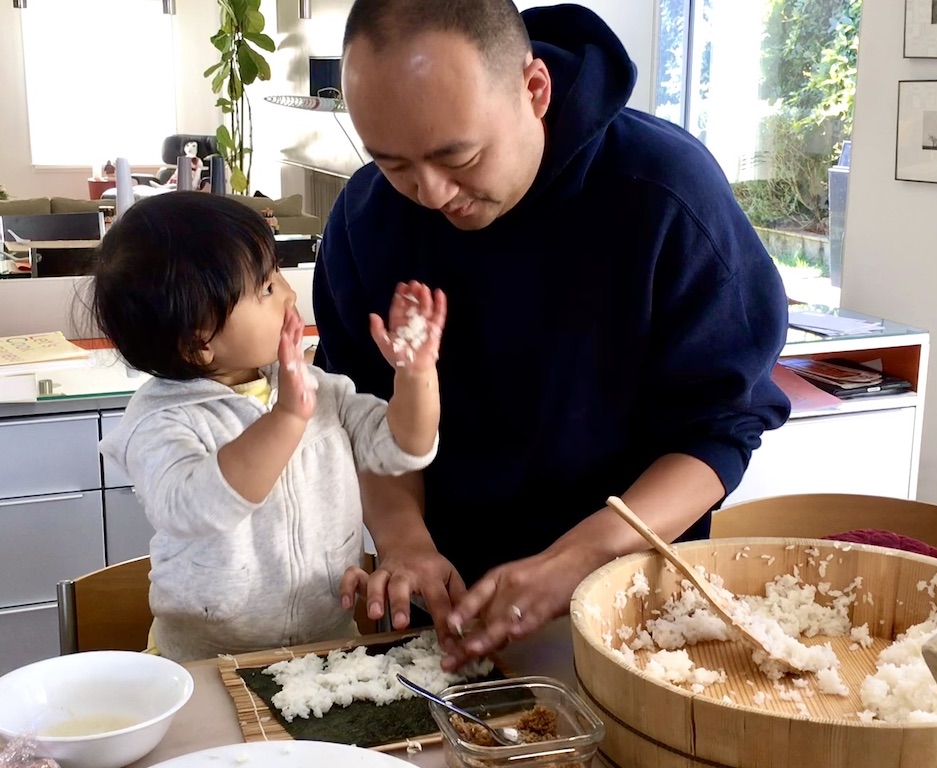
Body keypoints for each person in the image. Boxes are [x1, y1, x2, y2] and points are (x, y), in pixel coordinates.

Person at [312, 0, 791, 671]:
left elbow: (719, 431)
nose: (431, 192)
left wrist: (578, 559)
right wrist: (404, 539)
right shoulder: (368, 220)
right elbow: (364, 414)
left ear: (534, 90)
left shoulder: (663, 196)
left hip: (630, 599)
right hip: (447, 607)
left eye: (460, 156)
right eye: (394, 164)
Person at [90, 191, 446, 663]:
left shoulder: (316, 387)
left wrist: (416, 375)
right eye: (265, 288)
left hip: (325, 650)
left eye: (276, 273)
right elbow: (194, 507)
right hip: (206, 663)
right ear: (199, 343)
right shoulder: (161, 420)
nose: (289, 293)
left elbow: (404, 446)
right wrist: (286, 420)